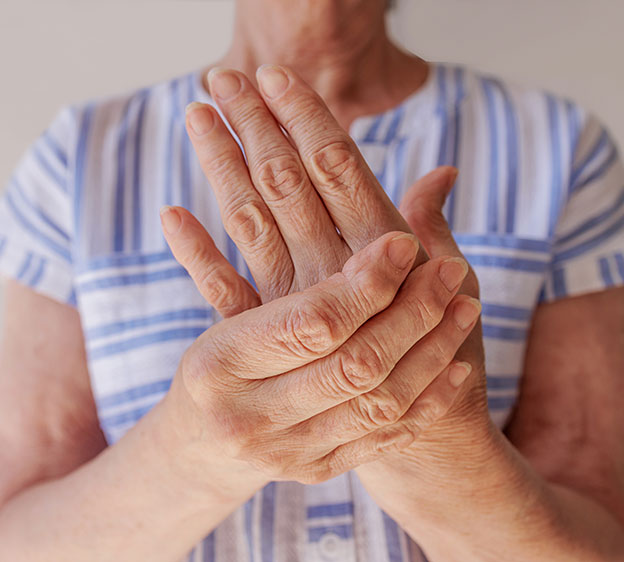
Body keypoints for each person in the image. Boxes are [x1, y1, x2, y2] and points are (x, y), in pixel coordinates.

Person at [0, 0, 623, 560]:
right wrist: (197, 447)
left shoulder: (561, 151)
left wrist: (435, 435)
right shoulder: (77, 160)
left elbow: (600, 538)